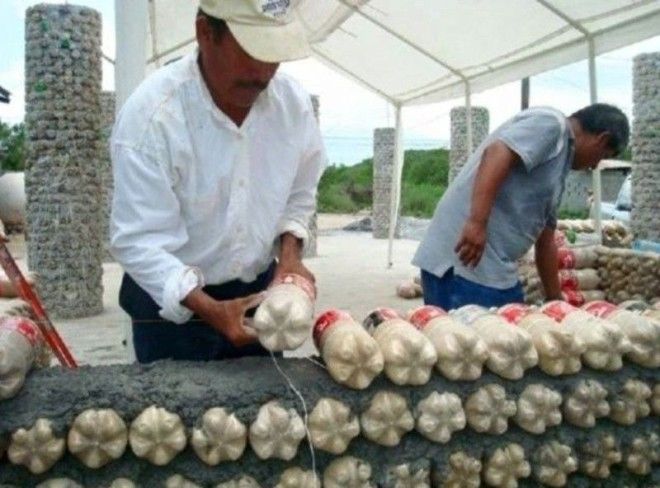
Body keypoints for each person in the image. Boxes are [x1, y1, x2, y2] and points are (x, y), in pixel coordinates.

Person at [110, 0, 326, 363]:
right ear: (204, 32)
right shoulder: (152, 118)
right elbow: (139, 241)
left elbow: (299, 194)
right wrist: (208, 308)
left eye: (273, 54)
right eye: (250, 51)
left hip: (258, 298)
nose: (261, 72)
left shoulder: (293, 107)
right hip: (172, 313)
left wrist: (289, 256)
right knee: (169, 417)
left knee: (264, 415)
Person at [413, 103, 629, 310]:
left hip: (497, 270)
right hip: (464, 264)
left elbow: (545, 240)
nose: (594, 166)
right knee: (471, 344)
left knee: (512, 339)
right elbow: (497, 152)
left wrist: (556, 300)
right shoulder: (552, 124)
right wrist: (477, 222)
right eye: (603, 157)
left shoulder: (560, 169)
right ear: (602, 139)